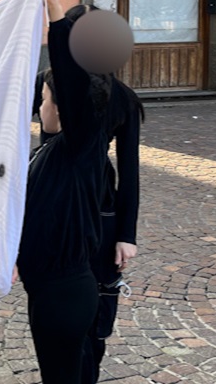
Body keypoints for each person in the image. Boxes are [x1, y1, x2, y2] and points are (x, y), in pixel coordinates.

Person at [16, 0, 110, 383]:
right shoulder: (51, 150)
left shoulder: (82, 146)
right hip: (45, 290)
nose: (41, 105)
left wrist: (54, 11)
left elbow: (71, 81)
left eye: (46, 98)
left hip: (65, 293)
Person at [80, 75, 143, 383]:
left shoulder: (122, 97)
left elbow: (130, 168)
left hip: (101, 211)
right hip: (53, 203)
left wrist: (126, 235)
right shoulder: (46, 82)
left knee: (97, 306)